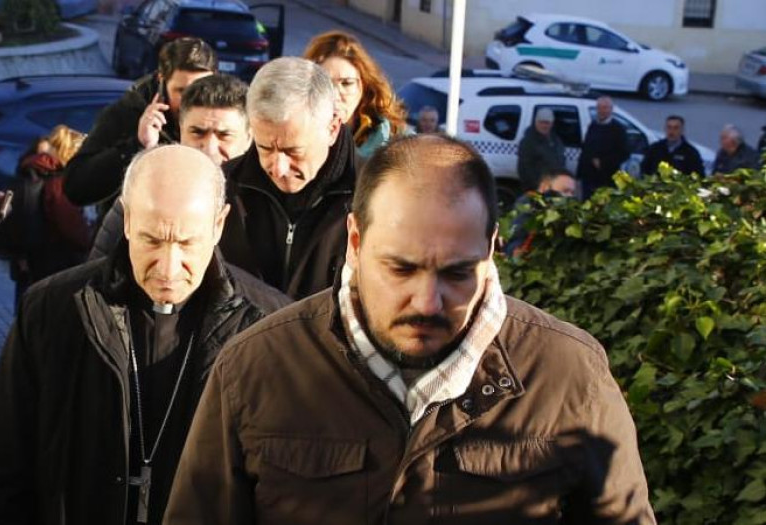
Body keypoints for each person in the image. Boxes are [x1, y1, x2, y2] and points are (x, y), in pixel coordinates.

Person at [164, 134, 656, 524]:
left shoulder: (571, 376)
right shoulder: (255, 368)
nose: (427, 302)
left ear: (490, 250)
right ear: (354, 241)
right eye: (400, 268)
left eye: (456, 273)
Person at [0, 145, 289, 525]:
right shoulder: (52, 309)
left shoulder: (269, 328)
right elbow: (1, 463)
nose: (168, 268)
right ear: (129, 219)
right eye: (152, 240)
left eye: (187, 243)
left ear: (218, 225)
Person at [219, 57, 357, 299]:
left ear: (332, 128)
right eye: (264, 148)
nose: (278, 168)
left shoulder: (374, 196)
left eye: (294, 151)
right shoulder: (222, 188)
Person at [89, 74, 252, 261]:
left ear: (249, 137)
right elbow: (98, 277)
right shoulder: (142, 195)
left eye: (224, 135)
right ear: (181, 131)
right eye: (197, 133)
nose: (209, 149)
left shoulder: (267, 205)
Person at [64, 37, 217, 209]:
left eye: (200, 90)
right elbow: (75, 188)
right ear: (162, 81)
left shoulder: (227, 118)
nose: (191, 101)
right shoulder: (127, 113)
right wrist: (137, 145)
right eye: (181, 91)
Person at [8, 124, 91, 299]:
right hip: (55, 262)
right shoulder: (58, 182)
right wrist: (91, 242)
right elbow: (72, 227)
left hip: (31, 262)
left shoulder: (32, 171)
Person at [303, 30, 407, 161]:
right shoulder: (291, 138)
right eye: (323, 83)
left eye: (346, 83)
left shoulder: (397, 142)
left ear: (364, 87)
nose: (334, 95)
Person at [505, 170, 577, 257]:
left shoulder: (571, 211)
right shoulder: (528, 205)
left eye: (572, 193)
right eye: (565, 191)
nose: (569, 197)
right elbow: (516, 238)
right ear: (544, 187)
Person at [577, 96, 629, 198]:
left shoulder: (618, 129)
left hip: (606, 178)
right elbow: (586, 148)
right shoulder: (593, 125)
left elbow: (624, 153)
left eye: (605, 108)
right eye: (599, 108)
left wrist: (603, 162)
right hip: (589, 177)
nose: (601, 111)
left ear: (611, 109)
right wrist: (580, 174)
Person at [516, 107, 566, 192]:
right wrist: (538, 186)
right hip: (537, 188)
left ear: (552, 123)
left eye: (547, 123)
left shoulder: (555, 138)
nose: (544, 125)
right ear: (535, 122)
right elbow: (524, 169)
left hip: (554, 185)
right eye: (541, 122)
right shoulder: (528, 141)